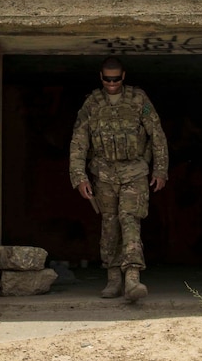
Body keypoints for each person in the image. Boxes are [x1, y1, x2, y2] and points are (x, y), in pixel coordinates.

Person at [69, 56, 169, 302]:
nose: (111, 83)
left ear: (123, 76)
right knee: (110, 224)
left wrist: (160, 170)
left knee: (130, 219)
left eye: (115, 79)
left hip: (134, 171)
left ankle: (133, 278)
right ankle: (113, 278)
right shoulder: (92, 104)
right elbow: (79, 142)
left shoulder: (138, 100)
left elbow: (156, 134)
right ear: (100, 77)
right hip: (103, 174)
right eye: (107, 79)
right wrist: (79, 177)